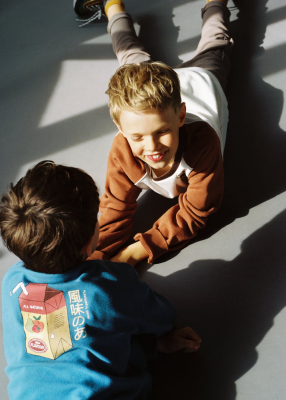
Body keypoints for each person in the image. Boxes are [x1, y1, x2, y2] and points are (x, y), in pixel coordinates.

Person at [0, 160, 201, 400]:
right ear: (89, 243)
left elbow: (58, 350)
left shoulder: (12, 282)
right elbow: (162, 316)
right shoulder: (111, 284)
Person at [74, 0, 233, 267]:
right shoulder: (123, 145)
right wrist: (95, 257)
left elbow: (195, 211)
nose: (152, 147)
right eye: (137, 137)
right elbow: (116, 208)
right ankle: (113, 5)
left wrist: (135, 252)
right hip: (152, 91)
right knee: (127, 52)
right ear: (121, 129)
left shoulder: (203, 144)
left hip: (201, 78)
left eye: (162, 132)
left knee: (216, 36)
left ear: (181, 116)